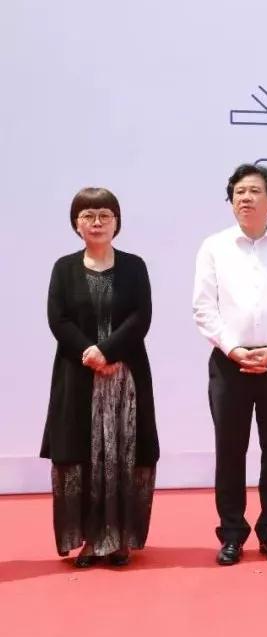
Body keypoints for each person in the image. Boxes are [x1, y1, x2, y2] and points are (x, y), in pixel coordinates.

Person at [192, 164, 267, 565]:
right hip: (229, 362)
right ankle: (231, 534)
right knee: (229, 451)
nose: (245, 198)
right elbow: (204, 308)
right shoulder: (214, 247)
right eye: (239, 192)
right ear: (231, 202)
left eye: (254, 191)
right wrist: (232, 349)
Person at [40, 187, 159, 568]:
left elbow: (141, 317)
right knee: (83, 459)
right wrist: (89, 353)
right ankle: (91, 541)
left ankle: (120, 539)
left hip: (126, 378)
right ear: (76, 224)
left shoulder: (135, 266)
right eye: (88, 215)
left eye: (104, 215)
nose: (96, 222)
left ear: (116, 222)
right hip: (78, 376)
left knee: (123, 456)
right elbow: (58, 319)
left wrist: (108, 351)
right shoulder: (63, 268)